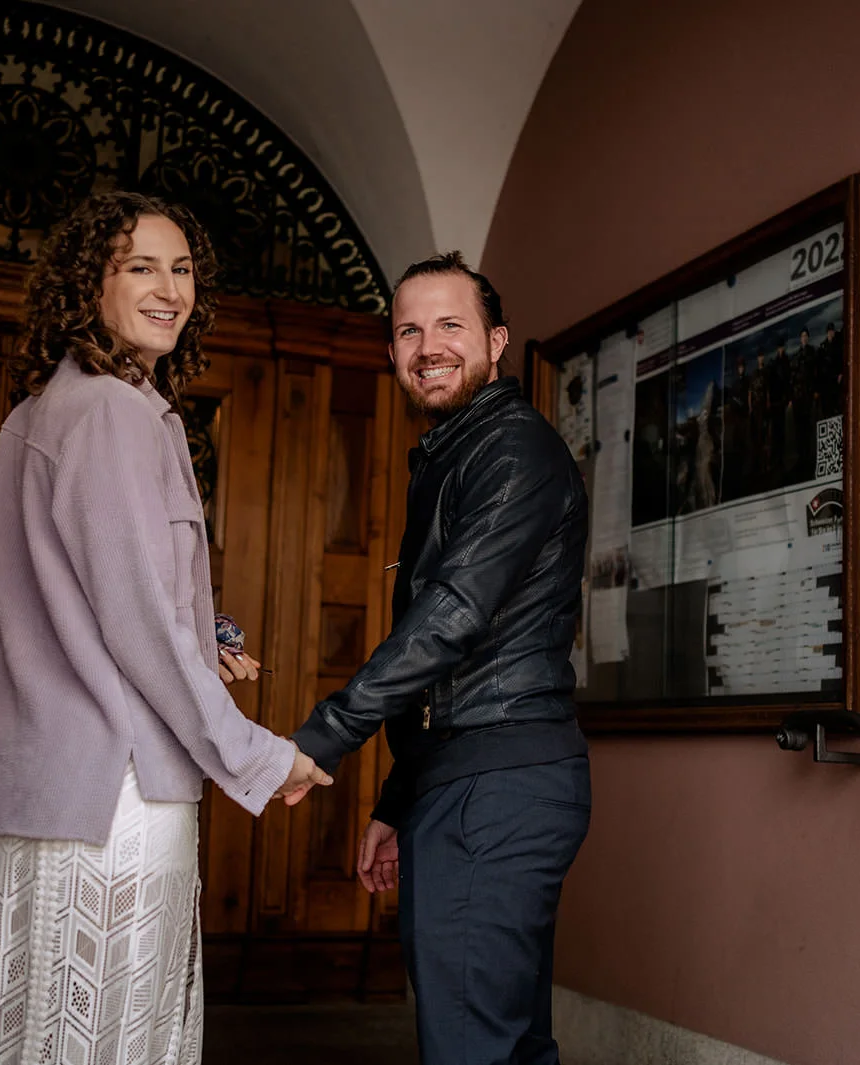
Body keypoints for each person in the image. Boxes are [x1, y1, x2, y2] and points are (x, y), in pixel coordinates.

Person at [0, 191, 331, 1065]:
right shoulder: (114, 415)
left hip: (31, 787)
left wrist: (198, 629)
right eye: (141, 267)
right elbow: (138, 632)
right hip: (112, 797)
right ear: (86, 285)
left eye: (183, 269)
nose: (171, 288)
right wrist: (261, 754)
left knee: (9, 1036)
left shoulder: (39, 414)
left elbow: (87, 595)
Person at [291, 252, 591, 1065]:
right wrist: (401, 794)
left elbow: (451, 616)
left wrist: (320, 739)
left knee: (470, 1051)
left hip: (495, 790)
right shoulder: (458, 451)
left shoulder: (511, 452)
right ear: (392, 351)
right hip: (475, 782)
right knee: (507, 1049)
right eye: (409, 329)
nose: (429, 345)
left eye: (450, 325)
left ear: (496, 342)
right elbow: (462, 652)